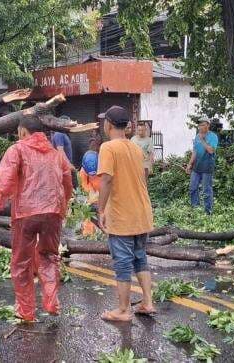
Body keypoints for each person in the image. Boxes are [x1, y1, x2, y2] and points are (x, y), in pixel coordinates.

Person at [0, 115, 73, 322]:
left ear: (22, 132)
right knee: (49, 257)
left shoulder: (17, 149)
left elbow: (5, 182)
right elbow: (67, 181)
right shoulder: (56, 154)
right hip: (53, 212)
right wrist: (64, 205)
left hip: (26, 213)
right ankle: (51, 301)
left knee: (21, 263)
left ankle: (26, 311)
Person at [97, 105, 155, 322]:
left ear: (109, 124)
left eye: (104, 121)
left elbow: (107, 180)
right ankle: (147, 302)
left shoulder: (108, 148)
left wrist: (101, 209)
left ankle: (123, 310)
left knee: (122, 262)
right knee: (140, 258)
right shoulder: (135, 148)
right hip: (142, 212)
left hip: (123, 215)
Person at [185, 116, 218, 215]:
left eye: (202, 125)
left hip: (207, 167)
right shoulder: (197, 136)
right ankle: (196, 209)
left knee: (206, 190)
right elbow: (194, 151)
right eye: (199, 125)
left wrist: (202, 140)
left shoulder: (213, 136)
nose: (200, 127)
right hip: (196, 167)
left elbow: (211, 150)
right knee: (192, 188)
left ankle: (208, 212)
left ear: (208, 125)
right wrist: (189, 164)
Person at [79, 139, 101, 236]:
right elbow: (84, 184)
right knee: (88, 212)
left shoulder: (103, 164)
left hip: (103, 192)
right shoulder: (83, 171)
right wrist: (91, 192)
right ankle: (88, 233)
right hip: (92, 194)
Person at [51, 118, 77, 189]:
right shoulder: (59, 134)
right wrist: (69, 165)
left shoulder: (62, 134)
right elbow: (60, 151)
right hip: (64, 167)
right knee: (71, 189)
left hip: (65, 167)